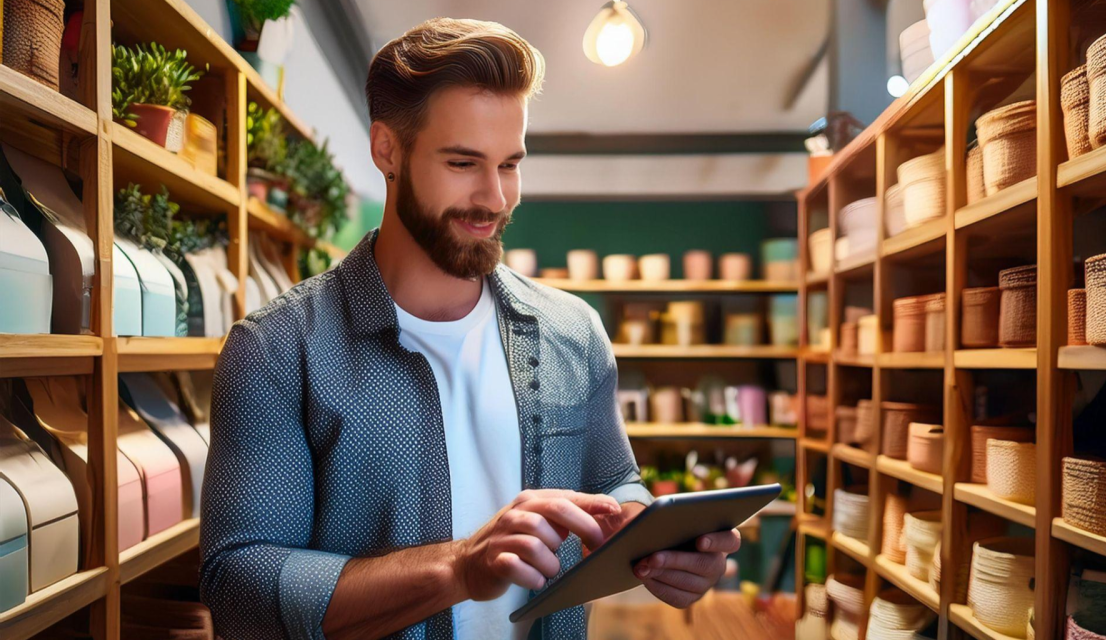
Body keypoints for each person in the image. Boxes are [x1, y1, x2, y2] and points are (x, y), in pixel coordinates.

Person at [199, 17, 741, 640]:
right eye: (463, 162)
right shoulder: (277, 349)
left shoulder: (574, 332)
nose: (495, 198)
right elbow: (238, 585)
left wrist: (652, 538)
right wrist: (458, 569)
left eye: (510, 164)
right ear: (387, 151)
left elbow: (614, 481)